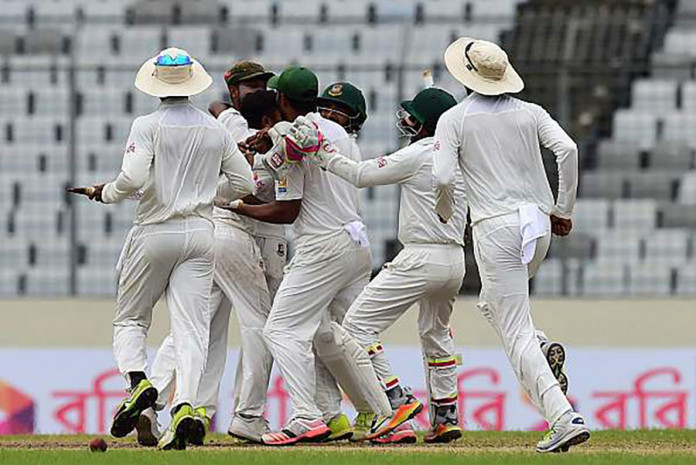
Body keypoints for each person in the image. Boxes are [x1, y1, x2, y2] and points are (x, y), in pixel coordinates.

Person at [226, 66, 420, 445]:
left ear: (281, 100)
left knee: (280, 330)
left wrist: (238, 203)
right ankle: (390, 414)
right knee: (334, 334)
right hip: (355, 244)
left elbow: (287, 207)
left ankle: (306, 417)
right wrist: (268, 148)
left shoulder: (299, 133)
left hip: (322, 246)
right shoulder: (336, 132)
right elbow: (289, 155)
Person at [89, 47, 254, 450]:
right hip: (200, 233)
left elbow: (131, 177)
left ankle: (137, 382)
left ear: (156, 85)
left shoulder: (146, 124)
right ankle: (184, 406)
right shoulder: (215, 129)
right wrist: (206, 194)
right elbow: (246, 185)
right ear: (192, 84)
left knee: (131, 320)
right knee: (191, 331)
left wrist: (106, 194)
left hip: (154, 230)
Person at [432, 37, 587, 453]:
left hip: (495, 227)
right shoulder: (531, 112)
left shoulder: (454, 118)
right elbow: (568, 149)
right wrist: (563, 208)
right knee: (494, 306)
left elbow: (444, 178)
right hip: (536, 226)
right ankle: (540, 346)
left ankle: (563, 417)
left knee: (511, 327)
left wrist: (446, 212)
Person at [296, 87, 466, 444]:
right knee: (436, 335)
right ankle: (446, 415)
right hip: (455, 259)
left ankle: (394, 397)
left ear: (426, 124)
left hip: (421, 256)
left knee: (356, 325)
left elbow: (360, 174)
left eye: (414, 119)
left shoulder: (418, 153)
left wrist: (321, 152)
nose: (408, 123)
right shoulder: (462, 155)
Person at [144, 84, 282, 445]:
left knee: (196, 327)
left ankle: (163, 402)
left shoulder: (224, 123)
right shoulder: (267, 147)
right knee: (261, 326)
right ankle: (249, 415)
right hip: (232, 236)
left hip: (202, 235)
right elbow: (253, 191)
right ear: (269, 118)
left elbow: (219, 105)